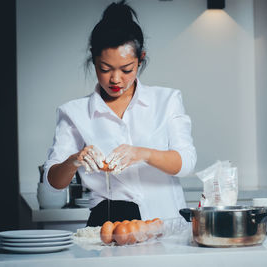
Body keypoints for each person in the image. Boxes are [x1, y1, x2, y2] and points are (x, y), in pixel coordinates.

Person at [43, 1, 197, 227]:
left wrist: (142, 153)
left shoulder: (166, 100)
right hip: (106, 223)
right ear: (93, 59)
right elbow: (54, 181)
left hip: (164, 222)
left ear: (140, 58)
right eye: (105, 69)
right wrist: (75, 159)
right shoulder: (73, 112)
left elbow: (186, 163)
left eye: (126, 70)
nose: (115, 79)